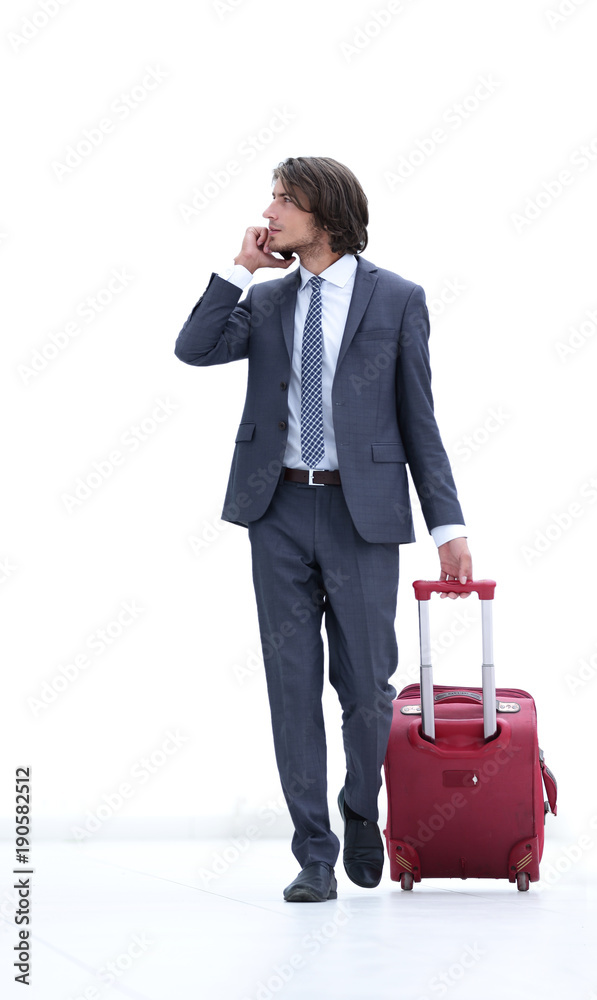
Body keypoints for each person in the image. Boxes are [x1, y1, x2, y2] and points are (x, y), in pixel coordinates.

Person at [174, 156, 472, 902]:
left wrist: (448, 525)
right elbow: (195, 347)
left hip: (360, 515)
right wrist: (240, 269)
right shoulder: (267, 299)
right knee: (291, 684)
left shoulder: (397, 299)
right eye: (271, 198)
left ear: (327, 214)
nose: (270, 212)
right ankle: (313, 851)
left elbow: (420, 419)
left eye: (285, 200)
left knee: (367, 687)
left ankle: (360, 809)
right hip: (274, 509)